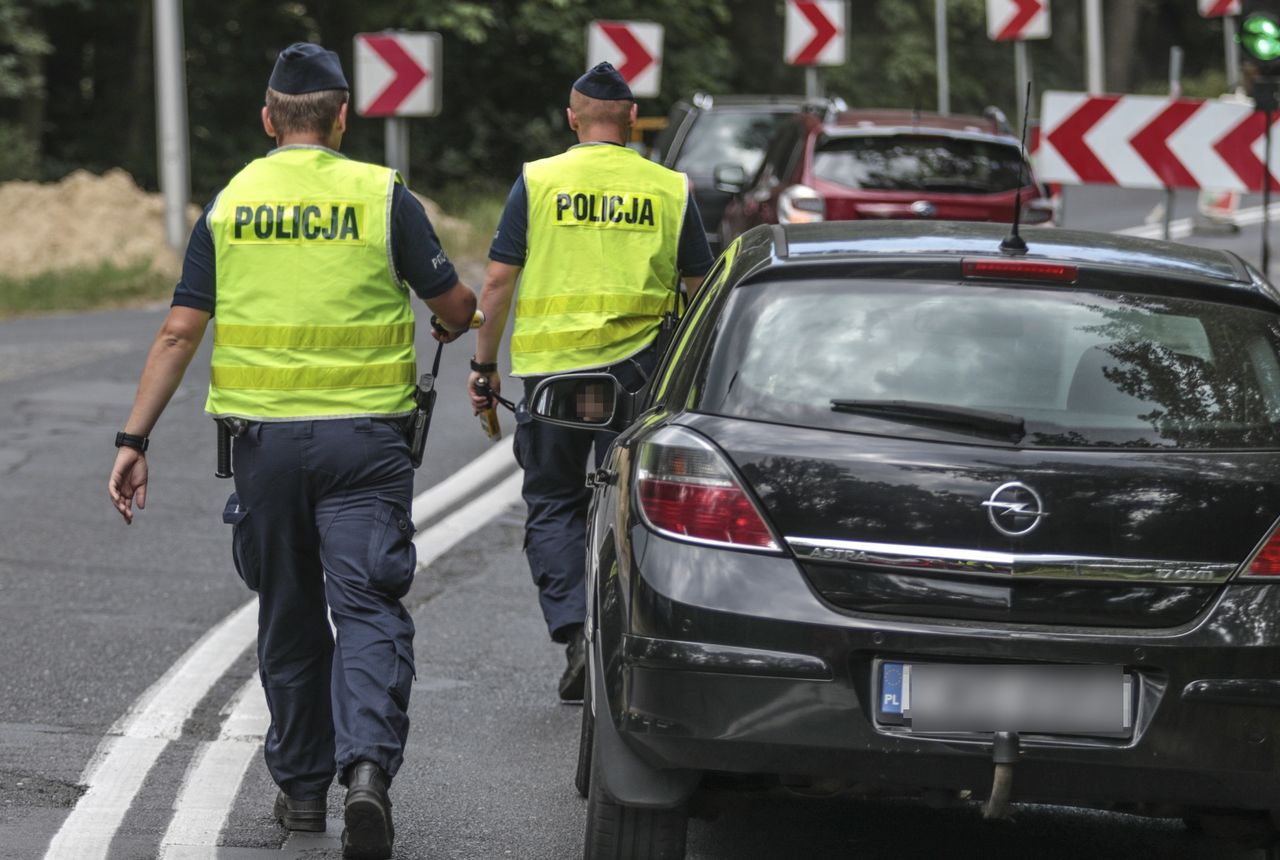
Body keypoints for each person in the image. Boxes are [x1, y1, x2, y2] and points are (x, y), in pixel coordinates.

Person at [106, 42, 477, 860]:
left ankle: (303, 793)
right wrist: (457, 320)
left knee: (288, 615)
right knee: (369, 607)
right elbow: (453, 301)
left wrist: (134, 438)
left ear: (268, 119)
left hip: (263, 448)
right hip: (366, 445)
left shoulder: (232, 202)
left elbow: (178, 330)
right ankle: (369, 773)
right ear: (343, 117)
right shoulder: (385, 196)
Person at [468, 62, 714, 701]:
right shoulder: (669, 189)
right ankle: (626, 642)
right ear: (633, 119)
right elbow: (701, 290)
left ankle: (575, 632)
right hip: (638, 376)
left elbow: (497, 281)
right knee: (633, 507)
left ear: (572, 118)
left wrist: (483, 366)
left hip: (554, 379)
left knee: (553, 502)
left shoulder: (538, 180)